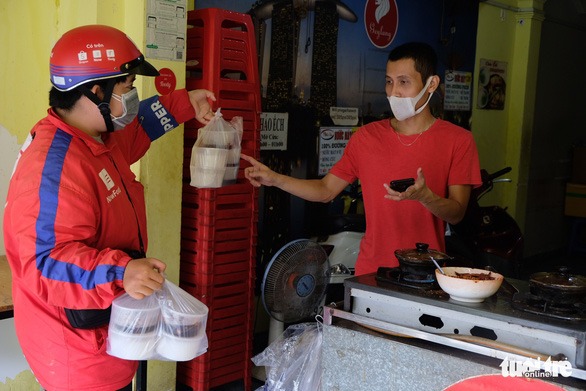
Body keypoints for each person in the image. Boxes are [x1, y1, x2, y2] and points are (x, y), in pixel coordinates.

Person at [3, 25, 215, 391]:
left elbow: (140, 127)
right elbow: (43, 264)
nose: (133, 94)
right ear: (96, 90)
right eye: (128, 84)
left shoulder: (98, 136)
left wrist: (186, 103)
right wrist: (121, 273)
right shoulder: (53, 169)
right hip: (76, 357)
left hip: (106, 336)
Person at [241, 41, 481, 276]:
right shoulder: (366, 137)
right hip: (371, 274)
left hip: (427, 276)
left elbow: (457, 212)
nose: (394, 92)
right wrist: (275, 179)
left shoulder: (458, 140)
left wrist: (426, 198)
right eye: (389, 82)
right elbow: (326, 190)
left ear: (431, 84)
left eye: (404, 82)